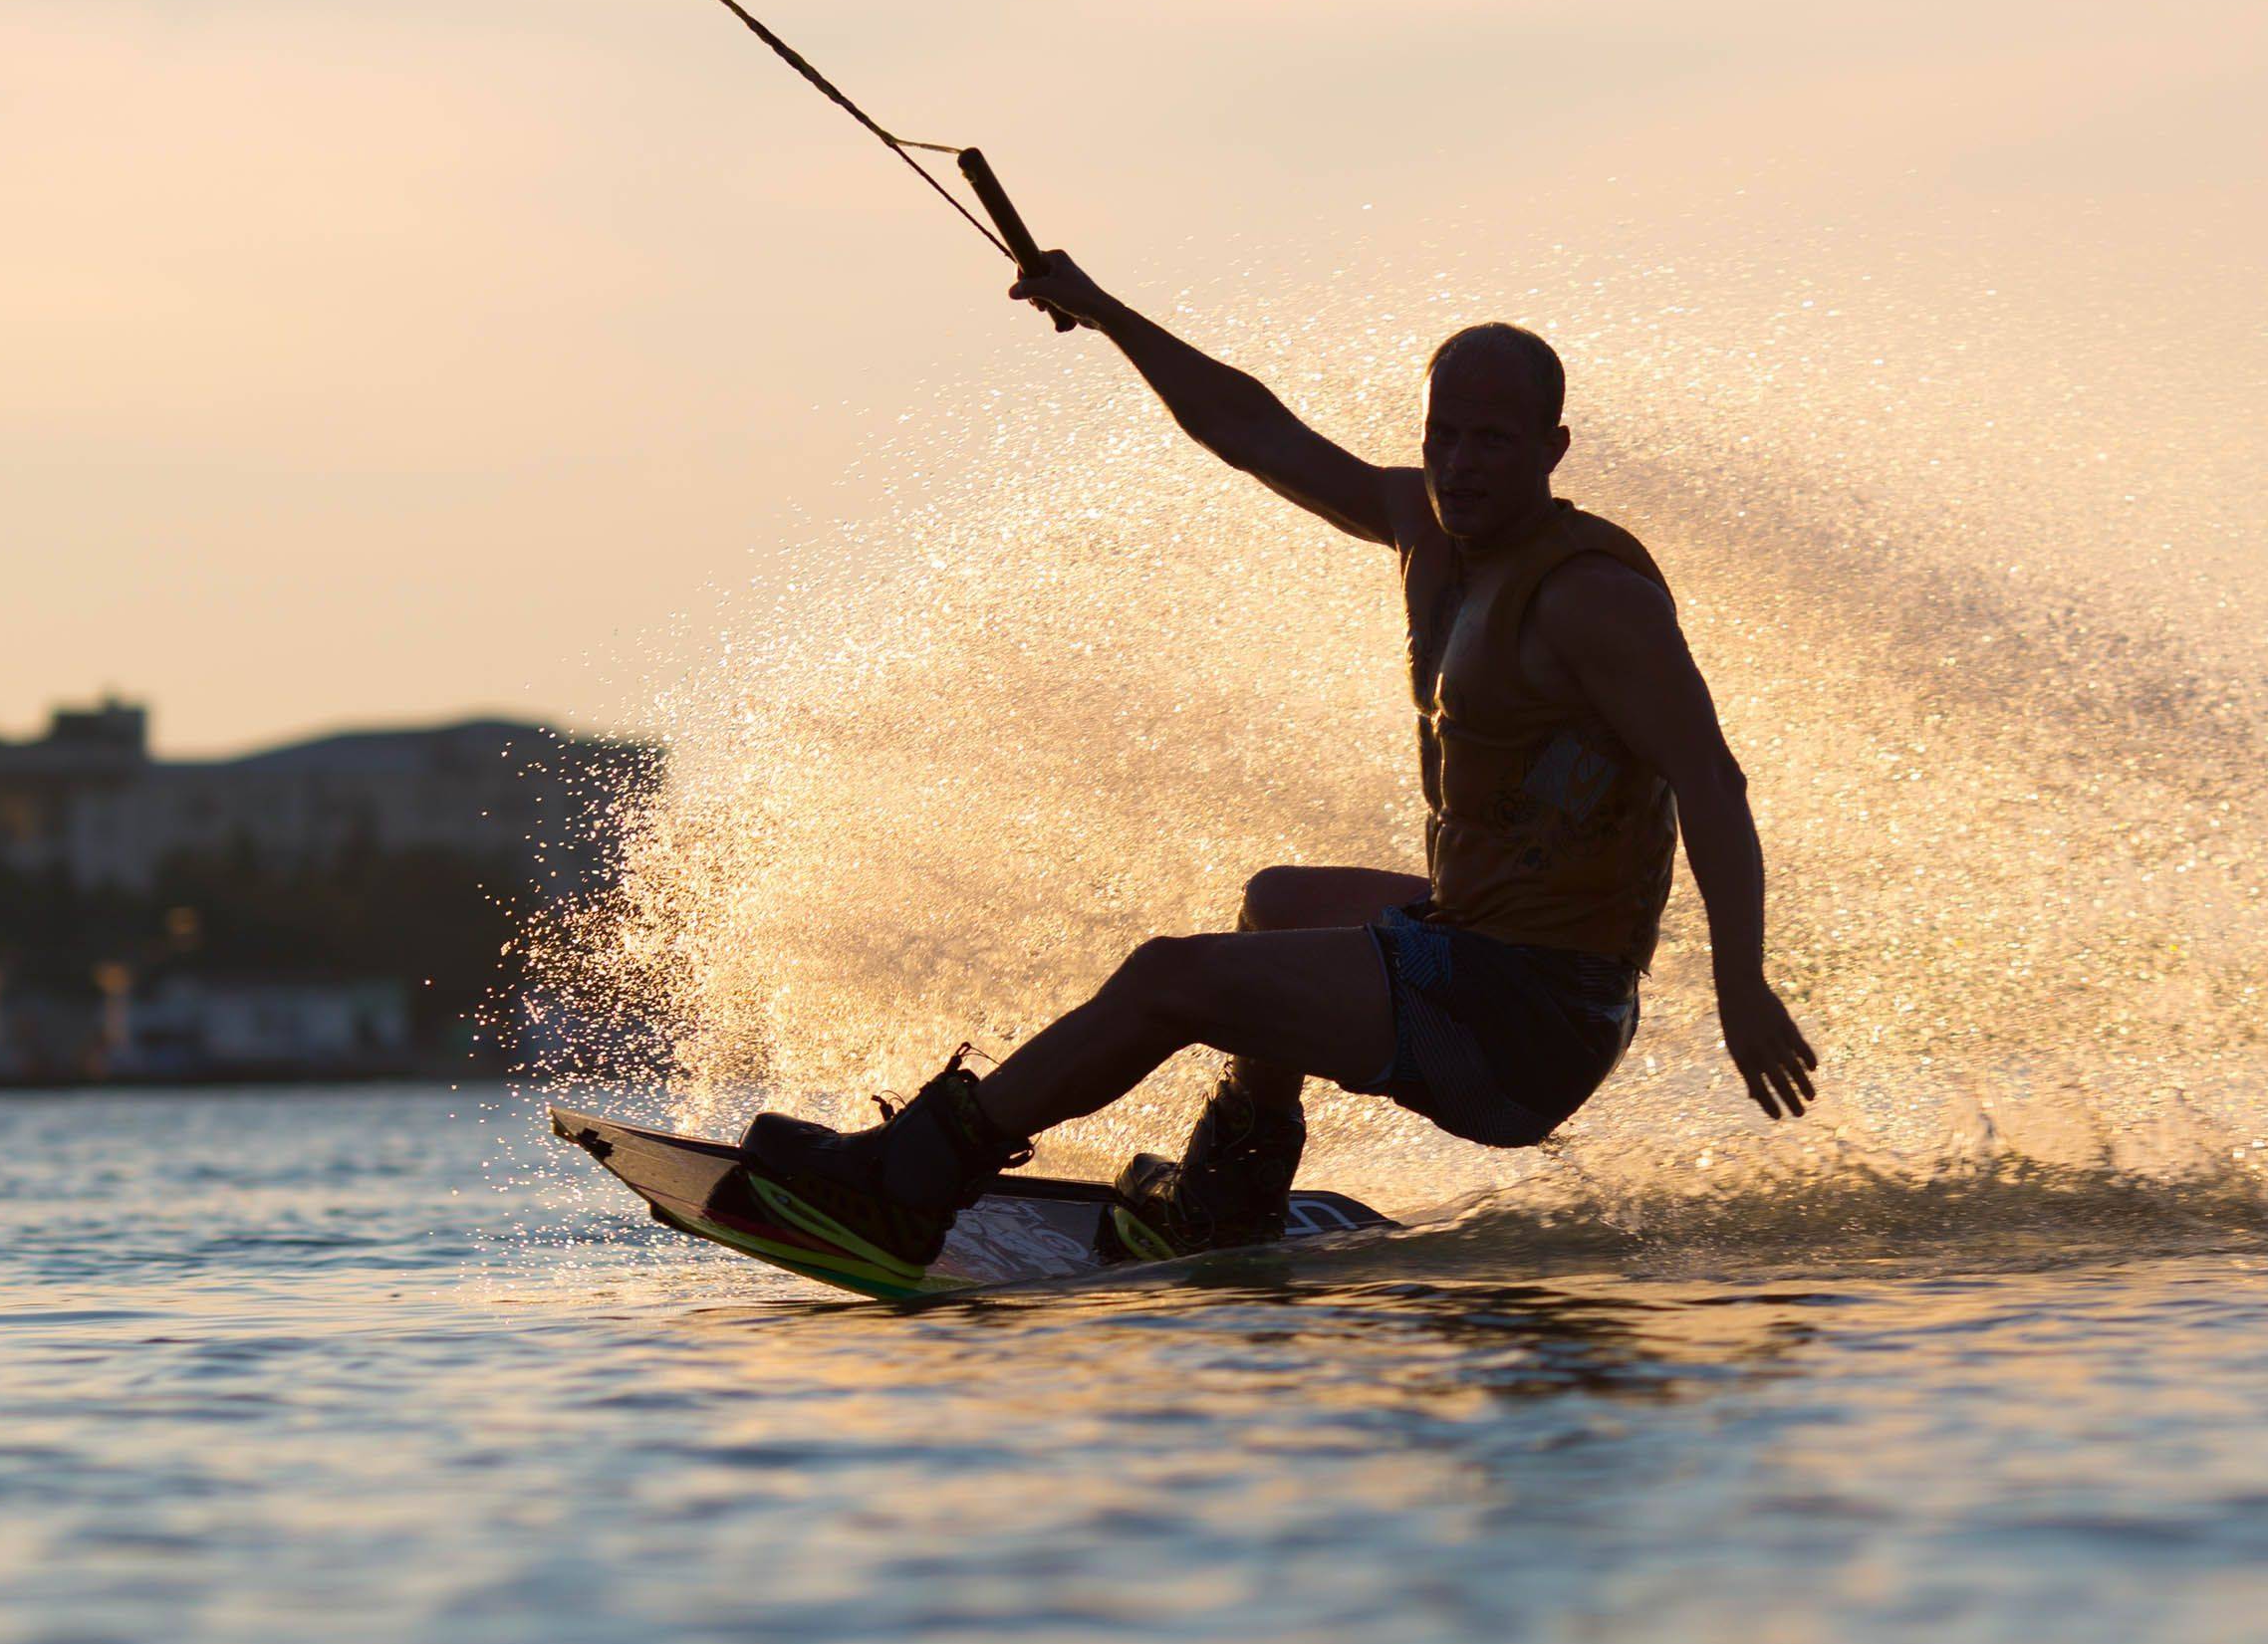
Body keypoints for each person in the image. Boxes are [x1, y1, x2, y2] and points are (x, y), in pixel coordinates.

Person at [739, 251, 1817, 1270]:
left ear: (1552, 449)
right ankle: (1232, 1192)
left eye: (1493, 440)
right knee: (1277, 900)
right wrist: (1107, 312)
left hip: (1536, 1015)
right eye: (1444, 435)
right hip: (1481, 945)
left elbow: (1712, 780)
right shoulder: (1423, 527)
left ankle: (914, 1174)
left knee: (1175, 977)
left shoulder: (1592, 597)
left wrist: (1741, 984)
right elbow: (1251, 430)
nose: (1459, 465)